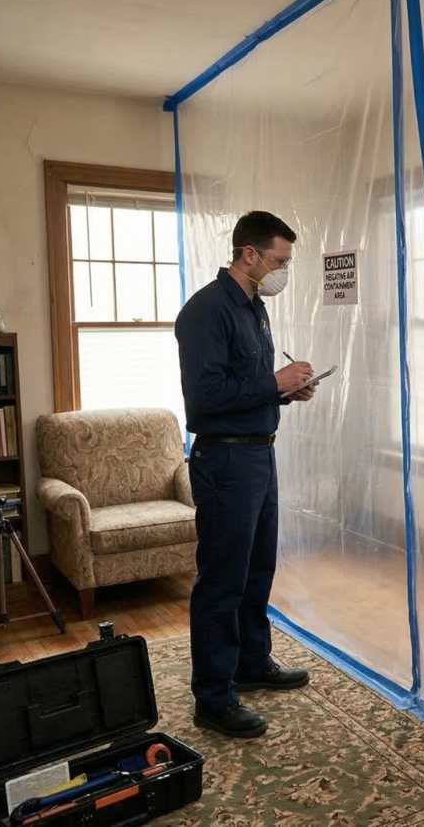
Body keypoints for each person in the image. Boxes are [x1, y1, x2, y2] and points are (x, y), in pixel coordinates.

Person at [175, 210, 318, 738]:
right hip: (225, 460)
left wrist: (284, 388)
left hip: (260, 452)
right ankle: (213, 697)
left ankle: (251, 663)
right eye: (279, 260)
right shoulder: (205, 312)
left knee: (258, 569)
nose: (283, 270)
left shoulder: (253, 306)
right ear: (249, 254)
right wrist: (270, 382)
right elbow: (205, 399)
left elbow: (249, 383)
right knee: (222, 580)